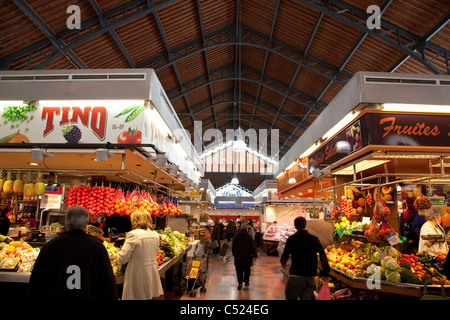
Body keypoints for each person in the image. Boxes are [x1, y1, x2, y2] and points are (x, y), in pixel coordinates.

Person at [28, 206, 118, 300]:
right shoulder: (98, 248)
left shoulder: (50, 247)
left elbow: (36, 282)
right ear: (86, 223)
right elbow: (108, 284)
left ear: (66, 223)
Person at [117, 209, 163, 300]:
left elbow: (122, 259)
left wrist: (117, 253)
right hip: (150, 273)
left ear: (135, 220)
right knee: (148, 296)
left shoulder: (133, 234)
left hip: (137, 274)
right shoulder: (155, 234)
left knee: (136, 296)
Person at [280, 216, 330, 300]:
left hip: (296, 276)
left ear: (295, 226)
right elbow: (322, 255)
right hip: (310, 277)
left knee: (290, 297)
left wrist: (283, 263)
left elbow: (285, 256)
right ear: (305, 225)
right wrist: (326, 271)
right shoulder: (314, 239)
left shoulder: (292, 239)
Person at [232, 222, 257, 290]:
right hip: (247, 257)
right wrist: (254, 255)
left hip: (238, 257)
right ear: (246, 229)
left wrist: (234, 254)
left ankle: (240, 283)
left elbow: (233, 247)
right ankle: (246, 282)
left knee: (239, 271)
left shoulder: (236, 237)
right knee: (247, 270)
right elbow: (252, 247)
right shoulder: (249, 237)